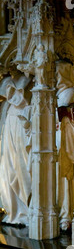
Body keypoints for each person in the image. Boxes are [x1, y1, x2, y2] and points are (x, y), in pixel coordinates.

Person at [0, 75, 32, 225]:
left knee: (23, 167)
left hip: (22, 124)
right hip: (11, 124)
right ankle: (15, 210)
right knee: (9, 168)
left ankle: (28, 208)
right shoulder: (7, 103)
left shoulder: (28, 83)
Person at [55, 62, 74, 231]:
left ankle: (67, 214)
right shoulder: (59, 94)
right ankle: (64, 214)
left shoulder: (69, 93)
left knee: (67, 178)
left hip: (66, 142)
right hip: (59, 141)